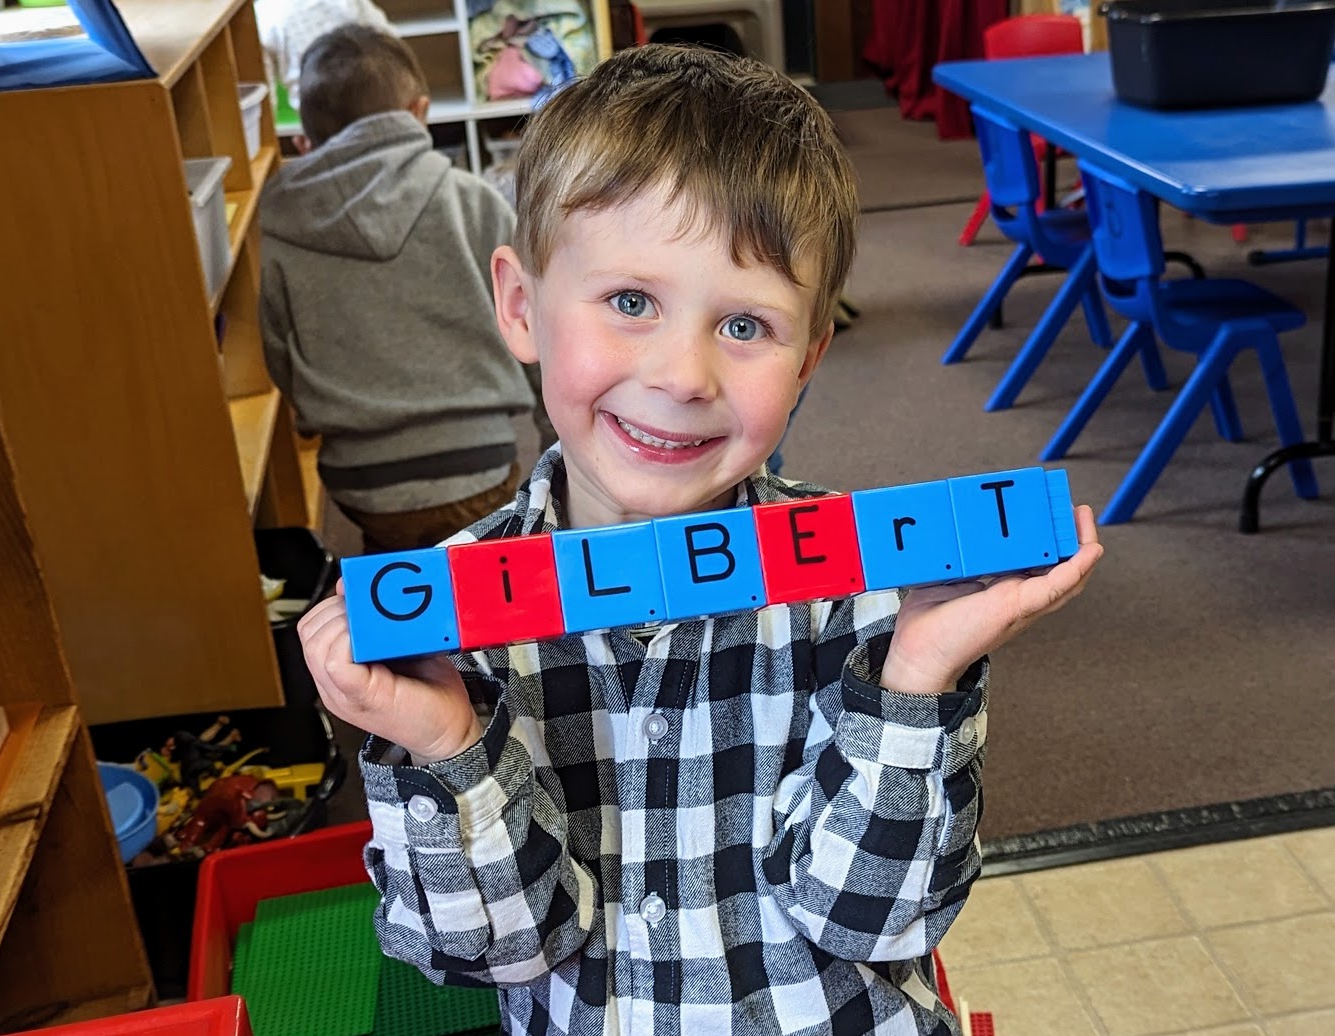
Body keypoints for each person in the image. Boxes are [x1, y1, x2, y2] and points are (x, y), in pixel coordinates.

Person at [298, 43, 1103, 1035]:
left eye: (745, 326)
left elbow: (875, 921)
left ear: (808, 358)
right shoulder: (446, 621)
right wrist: (447, 745)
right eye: (630, 302)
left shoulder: (873, 594)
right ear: (520, 307)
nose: (683, 376)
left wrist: (914, 680)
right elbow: (486, 954)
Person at [260, 25, 541, 554]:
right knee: (486, 575)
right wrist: (555, 444)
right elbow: (537, 328)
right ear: (420, 112)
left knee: (393, 562)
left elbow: (277, 354)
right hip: (476, 464)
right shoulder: (474, 202)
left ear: (305, 143)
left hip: (359, 481)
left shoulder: (277, 225)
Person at [253, 0, 399, 114]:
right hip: (376, 97)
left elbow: (266, 104)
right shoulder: (349, 3)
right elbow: (391, 43)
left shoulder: (264, 15)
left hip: (317, 115)